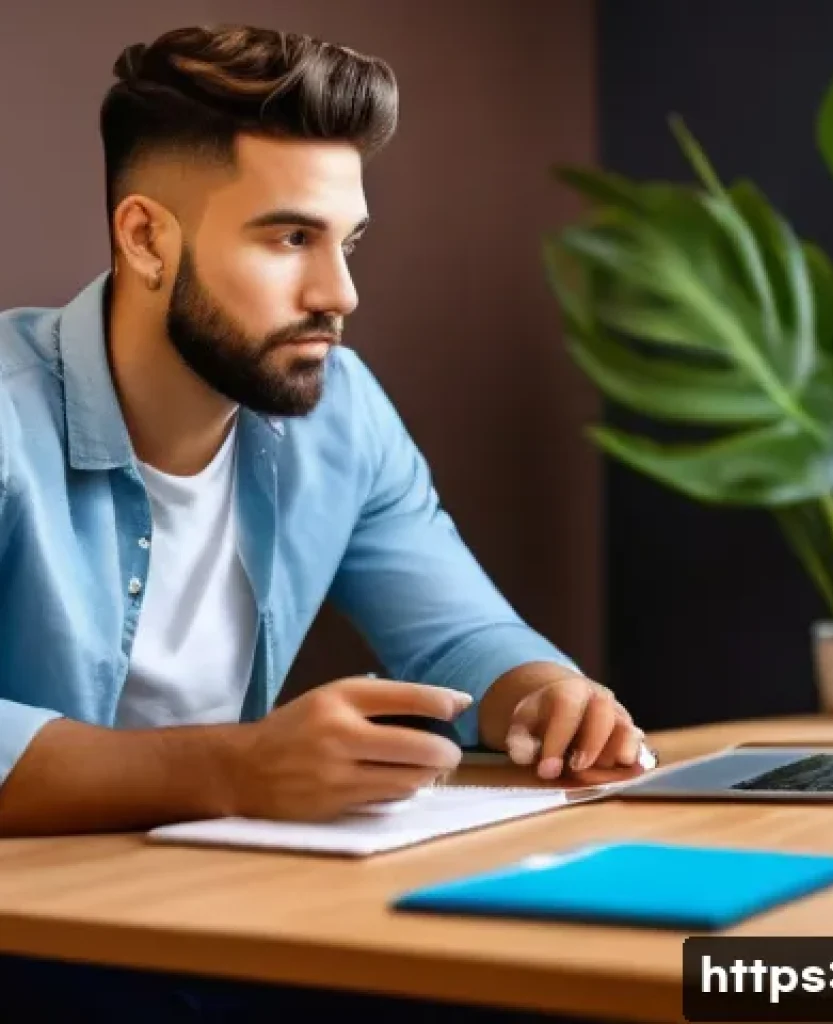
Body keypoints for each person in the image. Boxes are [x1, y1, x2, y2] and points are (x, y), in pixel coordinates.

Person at [0, 24, 650, 843]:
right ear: (146, 238)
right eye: (290, 237)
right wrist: (236, 768)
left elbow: (458, 633)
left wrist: (548, 694)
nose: (339, 292)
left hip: (205, 904)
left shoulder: (339, 408)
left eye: (348, 242)